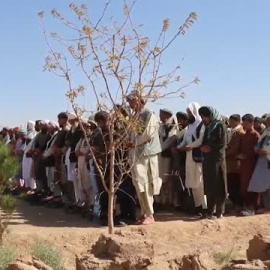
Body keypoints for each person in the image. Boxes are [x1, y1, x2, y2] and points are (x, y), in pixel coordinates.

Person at [127, 90, 162, 225]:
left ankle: (150, 214)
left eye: (131, 100)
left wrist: (133, 143)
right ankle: (143, 212)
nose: (129, 103)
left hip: (146, 154)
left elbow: (147, 134)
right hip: (135, 153)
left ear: (138, 100)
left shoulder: (149, 115)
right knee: (139, 184)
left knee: (146, 183)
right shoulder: (134, 116)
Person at [178, 102, 207, 216]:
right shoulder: (190, 126)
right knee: (193, 182)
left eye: (190, 112)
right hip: (189, 156)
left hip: (198, 156)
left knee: (200, 183)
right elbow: (186, 140)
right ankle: (197, 206)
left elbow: (200, 141)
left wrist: (189, 146)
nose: (188, 115)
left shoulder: (201, 125)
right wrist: (179, 147)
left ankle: (205, 207)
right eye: (188, 112)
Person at [199, 106, 227, 219]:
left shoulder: (220, 125)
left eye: (205, 116)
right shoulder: (207, 127)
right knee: (209, 185)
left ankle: (219, 212)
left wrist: (209, 148)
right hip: (208, 160)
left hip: (218, 160)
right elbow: (204, 141)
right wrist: (202, 147)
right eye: (202, 116)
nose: (203, 118)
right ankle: (210, 211)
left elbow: (222, 144)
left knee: (219, 185)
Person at [237, 114, 260, 216]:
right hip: (243, 165)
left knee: (251, 185)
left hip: (252, 165)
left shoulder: (255, 135)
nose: (244, 126)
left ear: (251, 123)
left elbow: (256, 151)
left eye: (246, 124)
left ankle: (253, 207)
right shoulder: (244, 135)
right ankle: (246, 206)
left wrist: (246, 155)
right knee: (244, 185)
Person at [248, 114, 270, 214]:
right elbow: (258, 145)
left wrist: (267, 152)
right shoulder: (266, 132)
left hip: (268, 160)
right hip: (263, 161)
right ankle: (266, 206)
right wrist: (257, 151)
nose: (267, 122)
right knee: (262, 185)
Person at [157, 108, 178, 207]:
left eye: (161, 114)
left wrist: (160, 148)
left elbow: (171, 139)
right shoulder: (161, 127)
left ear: (166, 115)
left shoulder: (173, 127)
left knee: (167, 178)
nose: (160, 116)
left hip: (168, 156)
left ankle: (167, 201)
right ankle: (160, 200)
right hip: (161, 155)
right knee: (160, 177)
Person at [50, 112, 70, 208]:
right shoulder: (62, 131)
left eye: (60, 119)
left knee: (64, 180)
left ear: (65, 119)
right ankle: (63, 199)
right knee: (59, 179)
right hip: (58, 158)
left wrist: (60, 150)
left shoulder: (67, 130)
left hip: (63, 158)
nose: (58, 121)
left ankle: (67, 200)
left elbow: (67, 144)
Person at [171, 112, 189, 210]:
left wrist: (177, 149)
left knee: (184, 182)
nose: (179, 122)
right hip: (177, 160)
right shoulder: (179, 131)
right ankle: (180, 204)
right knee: (178, 181)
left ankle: (186, 204)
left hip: (184, 159)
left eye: (181, 120)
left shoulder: (187, 131)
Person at [65, 113, 84, 209]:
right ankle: (77, 200)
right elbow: (67, 141)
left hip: (78, 159)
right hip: (72, 157)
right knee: (74, 181)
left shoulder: (80, 131)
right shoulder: (71, 130)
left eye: (72, 120)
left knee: (79, 180)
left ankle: (81, 200)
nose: (70, 122)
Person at [226, 114, 244, 211]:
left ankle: (238, 204)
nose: (229, 123)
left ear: (237, 121)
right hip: (230, 163)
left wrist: (225, 153)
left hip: (235, 163)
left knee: (236, 184)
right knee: (231, 184)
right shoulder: (231, 131)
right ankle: (234, 203)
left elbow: (235, 148)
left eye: (231, 121)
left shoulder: (239, 132)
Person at [33, 120, 51, 196]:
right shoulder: (38, 135)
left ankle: (46, 191)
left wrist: (42, 150)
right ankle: (39, 190)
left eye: (43, 125)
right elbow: (35, 144)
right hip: (38, 156)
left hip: (46, 157)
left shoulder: (49, 135)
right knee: (38, 174)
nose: (41, 127)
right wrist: (37, 150)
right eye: (40, 125)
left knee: (45, 175)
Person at [42, 121, 59, 202]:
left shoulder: (56, 135)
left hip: (53, 161)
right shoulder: (51, 136)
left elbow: (52, 148)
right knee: (49, 178)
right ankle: (52, 194)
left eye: (50, 127)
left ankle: (56, 195)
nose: (48, 129)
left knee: (53, 179)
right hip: (48, 161)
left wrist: (45, 155)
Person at [22, 121, 37, 192]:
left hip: (30, 157)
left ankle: (33, 188)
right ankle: (27, 186)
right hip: (26, 156)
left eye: (29, 125)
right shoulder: (28, 134)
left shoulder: (33, 135)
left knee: (30, 172)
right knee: (26, 171)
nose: (28, 126)